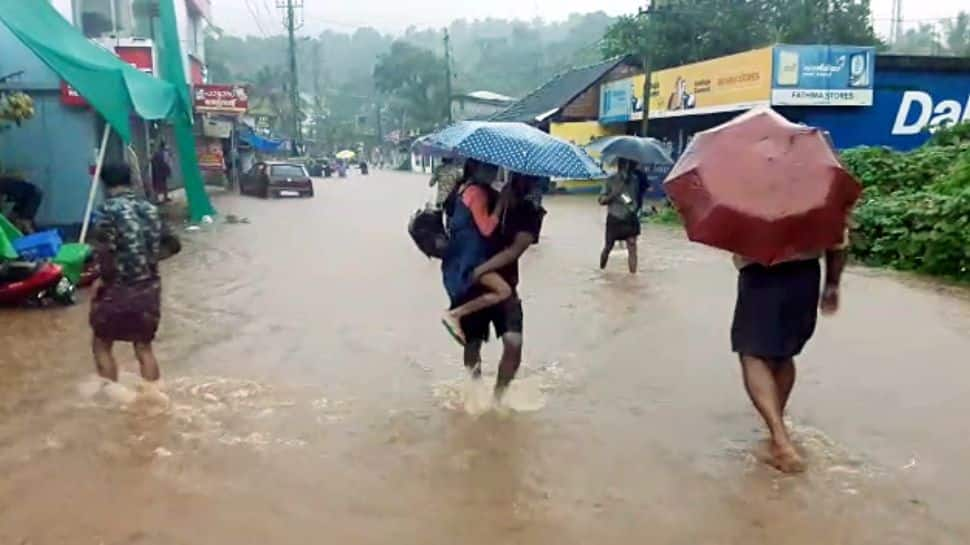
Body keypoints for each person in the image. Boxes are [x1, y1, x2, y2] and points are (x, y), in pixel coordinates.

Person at [731, 234, 848, 473]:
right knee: (783, 353)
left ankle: (780, 441)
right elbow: (838, 239)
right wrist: (832, 284)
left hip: (760, 273)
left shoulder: (748, 195)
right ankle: (777, 431)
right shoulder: (818, 197)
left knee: (751, 352)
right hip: (805, 275)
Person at [89, 163, 180, 389]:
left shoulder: (106, 211)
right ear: (130, 181)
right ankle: (154, 397)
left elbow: (105, 252)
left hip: (118, 287)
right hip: (149, 287)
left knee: (102, 343)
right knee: (143, 346)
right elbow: (174, 244)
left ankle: (109, 398)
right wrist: (149, 259)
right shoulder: (150, 209)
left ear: (105, 184)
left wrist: (101, 281)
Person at [459, 172, 545, 399]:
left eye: (527, 181)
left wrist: (481, 269)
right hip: (475, 285)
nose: (521, 183)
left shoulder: (531, 213)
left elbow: (514, 251)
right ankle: (475, 389)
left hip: (504, 285)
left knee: (513, 343)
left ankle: (498, 398)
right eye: (517, 178)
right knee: (472, 342)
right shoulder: (487, 196)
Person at [440, 160, 514, 345]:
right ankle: (454, 315)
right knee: (504, 291)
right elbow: (487, 228)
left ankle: (456, 315)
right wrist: (501, 204)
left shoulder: (463, 188)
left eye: (495, 169)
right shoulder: (478, 193)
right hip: (471, 258)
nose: (493, 173)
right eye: (489, 168)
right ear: (476, 169)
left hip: (457, 255)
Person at [599, 158, 641, 273]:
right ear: (620, 166)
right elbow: (601, 201)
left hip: (630, 216)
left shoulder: (635, 180)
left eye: (630, 165)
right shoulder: (610, 180)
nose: (628, 168)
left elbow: (635, 198)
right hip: (615, 218)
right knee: (608, 247)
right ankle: (601, 270)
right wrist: (614, 194)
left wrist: (633, 206)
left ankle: (633, 276)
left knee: (632, 247)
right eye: (625, 166)